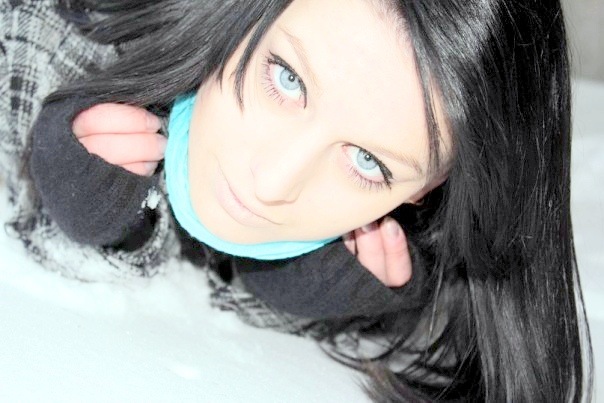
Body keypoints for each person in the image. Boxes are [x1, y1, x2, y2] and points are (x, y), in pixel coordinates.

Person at [7, 0, 593, 400]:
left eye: (367, 162)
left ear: (427, 191)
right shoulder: (36, 33)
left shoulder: (405, 258)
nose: (272, 183)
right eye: (287, 78)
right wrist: (68, 194)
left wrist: (307, 290)